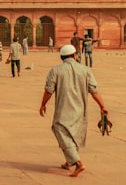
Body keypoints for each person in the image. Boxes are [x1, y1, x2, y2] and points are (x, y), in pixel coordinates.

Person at [39, 44, 107, 177]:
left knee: (60, 130)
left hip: (64, 109)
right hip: (80, 110)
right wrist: (102, 106)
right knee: (73, 134)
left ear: (61, 57)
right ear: (75, 56)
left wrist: (43, 104)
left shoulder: (56, 70)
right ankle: (68, 162)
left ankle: (78, 163)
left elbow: (49, 91)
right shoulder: (85, 70)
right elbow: (94, 91)